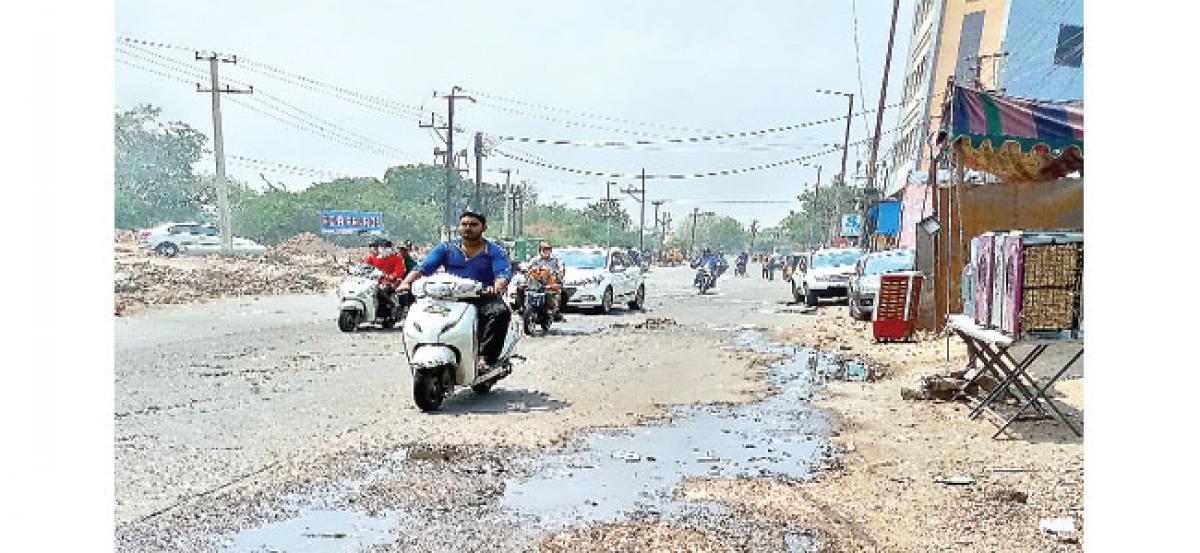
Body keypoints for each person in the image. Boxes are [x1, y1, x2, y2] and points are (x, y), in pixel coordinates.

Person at [398, 212, 512, 370]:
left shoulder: (493, 250)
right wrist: (406, 283)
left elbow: (502, 273)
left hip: (482, 295)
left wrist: (497, 286)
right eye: (464, 224)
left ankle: (485, 358)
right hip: (449, 297)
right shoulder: (446, 248)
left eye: (473, 225)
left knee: (500, 312)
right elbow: (423, 268)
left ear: (483, 227)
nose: (468, 228)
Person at [525, 241, 566, 321]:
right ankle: (521, 308)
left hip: (551, 283)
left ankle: (557, 311)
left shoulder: (556, 260)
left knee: (562, 292)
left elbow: (561, 268)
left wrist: (560, 274)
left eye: (549, 248)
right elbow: (528, 267)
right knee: (520, 288)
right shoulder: (535, 260)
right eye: (544, 248)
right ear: (540, 249)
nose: (546, 250)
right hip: (536, 283)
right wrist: (525, 270)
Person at [364, 239, 407, 314]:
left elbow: (399, 273)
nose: (382, 249)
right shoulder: (373, 257)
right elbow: (365, 267)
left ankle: (393, 305)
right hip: (374, 281)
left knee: (380, 291)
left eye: (385, 247)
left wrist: (389, 276)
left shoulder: (397, 258)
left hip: (390, 281)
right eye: (380, 247)